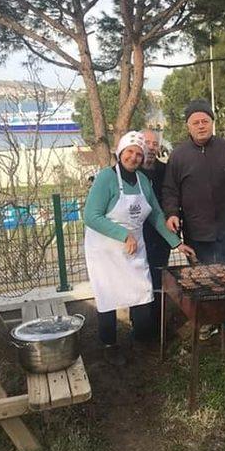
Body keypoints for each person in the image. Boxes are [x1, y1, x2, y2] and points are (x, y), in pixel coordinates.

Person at [84, 131, 195, 366]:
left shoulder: (143, 181)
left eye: (138, 154)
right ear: (120, 152)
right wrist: (123, 235)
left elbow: (155, 214)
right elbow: (91, 216)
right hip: (105, 250)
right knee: (108, 297)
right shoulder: (106, 179)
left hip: (133, 248)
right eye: (129, 152)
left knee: (143, 292)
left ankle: (141, 338)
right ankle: (109, 345)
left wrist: (176, 242)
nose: (133, 157)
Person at [162, 99, 225, 343]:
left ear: (212, 123)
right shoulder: (178, 155)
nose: (201, 125)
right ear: (188, 127)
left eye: (205, 121)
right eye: (196, 122)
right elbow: (170, 190)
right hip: (197, 232)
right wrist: (172, 213)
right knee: (203, 282)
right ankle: (210, 323)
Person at [139, 128, 171, 336]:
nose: (151, 147)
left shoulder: (165, 171)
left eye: (154, 143)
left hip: (161, 236)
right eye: (147, 142)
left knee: (159, 279)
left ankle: (159, 327)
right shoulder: (130, 170)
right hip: (137, 236)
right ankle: (141, 327)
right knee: (140, 281)